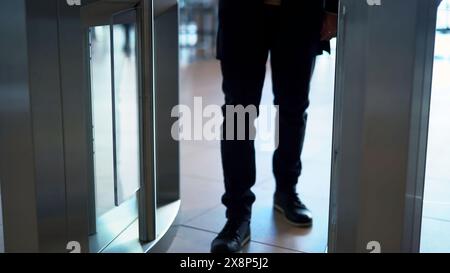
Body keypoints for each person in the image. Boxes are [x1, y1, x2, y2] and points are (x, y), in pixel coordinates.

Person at [211, 0, 339, 253]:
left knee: (293, 107)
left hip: (301, 11)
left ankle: (286, 191)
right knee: (239, 113)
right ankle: (237, 213)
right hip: (241, 11)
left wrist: (333, 8)